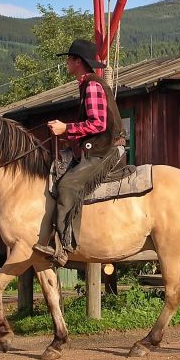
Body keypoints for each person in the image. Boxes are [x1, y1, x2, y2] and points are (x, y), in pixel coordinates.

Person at [33, 39, 124, 266]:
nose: (66, 63)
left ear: (77, 61)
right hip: (99, 147)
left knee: (68, 185)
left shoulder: (92, 86)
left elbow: (98, 124)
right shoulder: (87, 85)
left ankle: (64, 246)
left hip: (106, 149)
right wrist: (67, 133)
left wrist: (67, 128)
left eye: (69, 59)